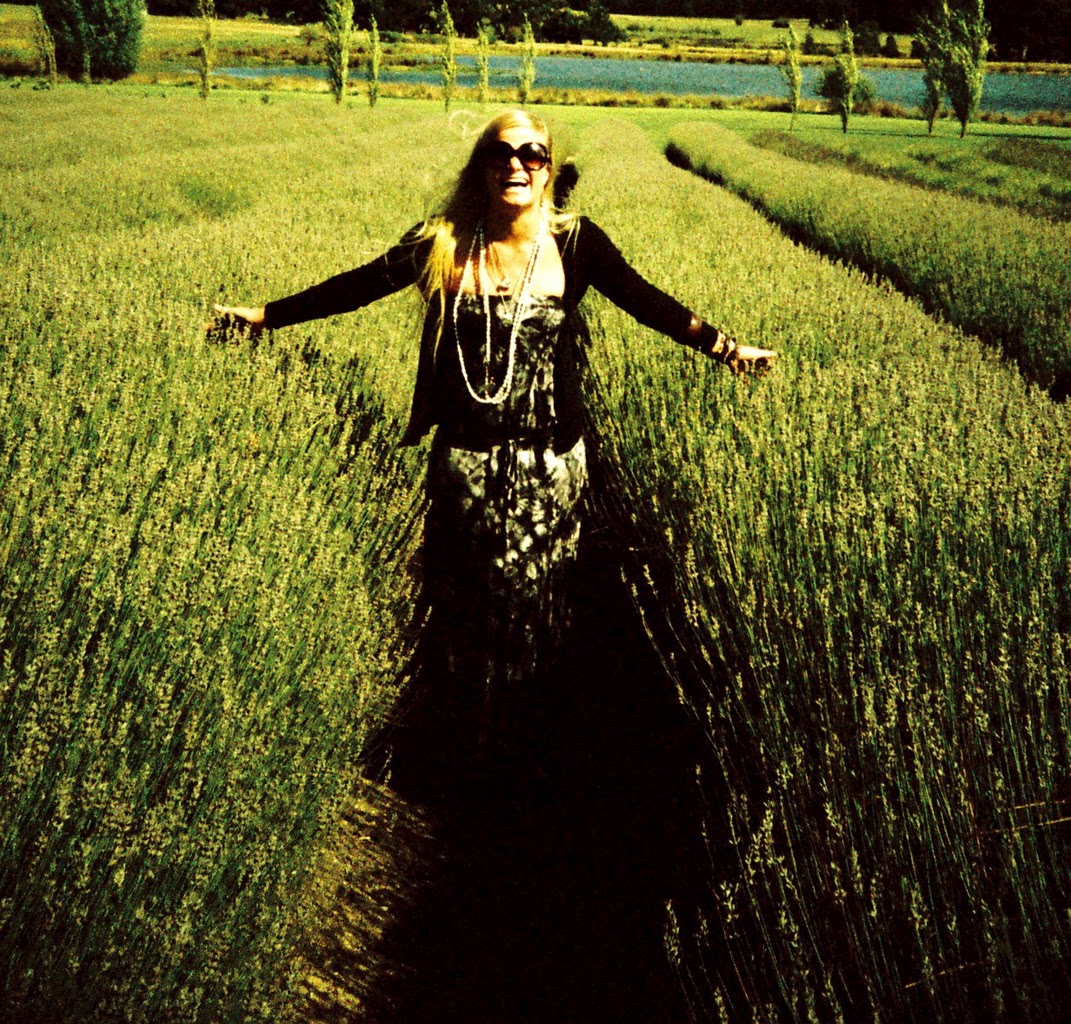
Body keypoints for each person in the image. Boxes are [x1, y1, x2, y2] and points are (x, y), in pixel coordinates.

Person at [212, 110, 774, 790]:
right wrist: (265, 317)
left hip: (552, 466)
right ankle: (460, 754)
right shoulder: (442, 243)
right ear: (481, 167)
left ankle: (527, 755)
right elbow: (357, 286)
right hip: (466, 464)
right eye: (501, 153)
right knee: (463, 603)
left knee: (540, 606)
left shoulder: (576, 243)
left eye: (531, 155)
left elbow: (647, 301)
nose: (516, 165)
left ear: (548, 169)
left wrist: (726, 348)